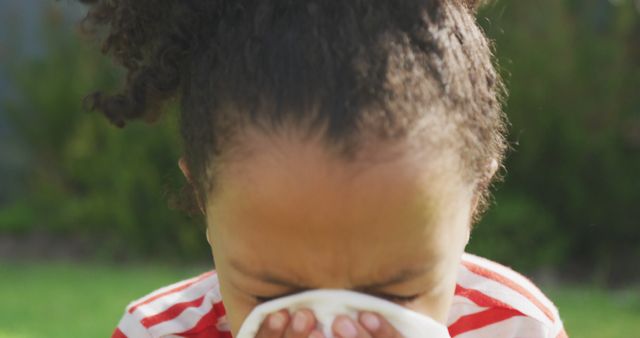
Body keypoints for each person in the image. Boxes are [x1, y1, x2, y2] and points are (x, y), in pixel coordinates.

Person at [77, 0, 567, 337]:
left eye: (395, 294)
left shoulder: (519, 326)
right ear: (204, 200)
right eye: (273, 295)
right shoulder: (157, 331)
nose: (336, 328)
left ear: (474, 198)